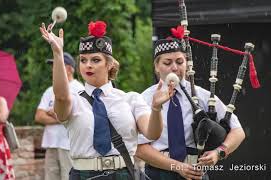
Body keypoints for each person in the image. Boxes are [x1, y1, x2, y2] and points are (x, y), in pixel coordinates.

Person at [39, 20, 174, 179]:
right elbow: (61, 96)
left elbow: (152, 133)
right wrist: (57, 52)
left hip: (123, 173)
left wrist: (156, 108)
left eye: (95, 60)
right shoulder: (74, 100)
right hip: (84, 174)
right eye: (83, 60)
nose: (88, 65)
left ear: (109, 64)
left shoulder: (130, 99)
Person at [135, 26, 246, 180]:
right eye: (167, 63)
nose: (174, 67)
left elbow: (238, 131)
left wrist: (219, 152)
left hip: (196, 173)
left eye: (180, 62)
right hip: (158, 173)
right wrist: (177, 167)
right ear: (156, 67)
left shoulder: (201, 95)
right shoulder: (144, 99)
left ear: (187, 65)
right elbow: (139, 148)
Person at [34, 52, 84, 180]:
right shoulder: (50, 90)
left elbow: (78, 118)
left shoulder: (79, 89)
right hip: (51, 144)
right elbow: (39, 116)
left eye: (56, 65)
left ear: (68, 69)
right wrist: (62, 115)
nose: (53, 70)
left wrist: (55, 112)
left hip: (69, 145)